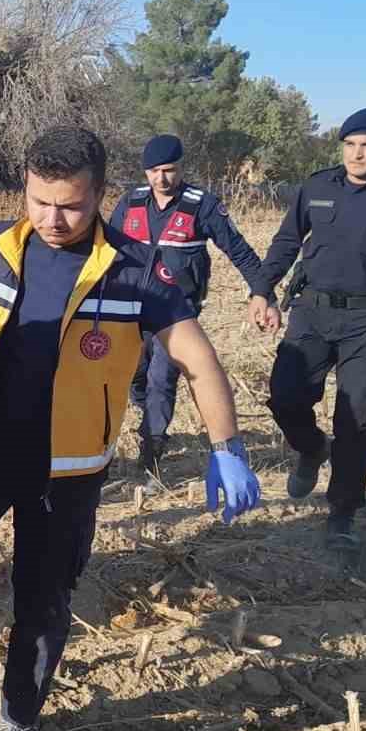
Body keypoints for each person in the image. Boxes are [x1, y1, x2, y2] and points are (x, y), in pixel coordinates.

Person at [0, 126, 260, 731]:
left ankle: (19, 726)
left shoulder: (133, 269)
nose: (51, 218)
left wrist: (227, 445)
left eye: (69, 204)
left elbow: (198, 358)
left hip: (67, 472)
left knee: (41, 602)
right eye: (38, 200)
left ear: (99, 194)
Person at [248, 107, 366, 552]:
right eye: (351, 145)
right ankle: (313, 447)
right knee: (284, 395)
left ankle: (342, 512)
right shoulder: (318, 186)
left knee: (357, 416)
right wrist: (262, 290)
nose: (357, 154)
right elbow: (285, 241)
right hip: (312, 312)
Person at [109, 134, 263, 490]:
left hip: (176, 312)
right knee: (134, 376)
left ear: (181, 168)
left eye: (169, 170)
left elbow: (238, 250)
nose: (162, 178)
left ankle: (151, 456)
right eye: (154, 171)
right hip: (131, 308)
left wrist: (261, 291)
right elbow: (105, 250)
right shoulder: (129, 203)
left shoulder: (202, 205)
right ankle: (147, 419)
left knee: (162, 379)